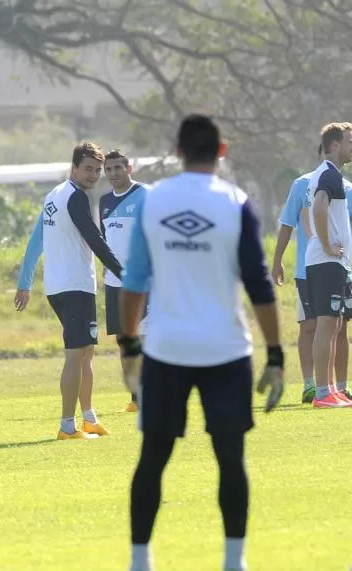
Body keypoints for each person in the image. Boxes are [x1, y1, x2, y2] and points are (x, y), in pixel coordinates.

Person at [119, 114, 284, 571]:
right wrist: (275, 355)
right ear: (223, 150)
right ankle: (234, 562)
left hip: (166, 349)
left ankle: (139, 561)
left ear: (177, 151)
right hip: (226, 351)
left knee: (153, 456)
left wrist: (129, 345)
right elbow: (259, 286)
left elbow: (134, 280)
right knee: (230, 458)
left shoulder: (154, 202)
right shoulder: (236, 203)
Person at [14, 141, 122, 440]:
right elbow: (95, 238)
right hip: (74, 285)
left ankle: (88, 418)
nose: (92, 175)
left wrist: (25, 283)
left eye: (97, 171)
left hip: (61, 286)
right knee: (76, 356)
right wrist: (122, 273)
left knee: (86, 353)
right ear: (74, 167)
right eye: (87, 168)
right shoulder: (75, 198)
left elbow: (36, 240)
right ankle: (66, 426)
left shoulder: (54, 194)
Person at [270, 145, 325, 403]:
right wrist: (277, 260)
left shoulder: (347, 188)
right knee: (310, 326)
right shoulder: (301, 184)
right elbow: (287, 225)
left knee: (335, 328)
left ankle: (336, 385)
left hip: (338, 269)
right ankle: (309, 384)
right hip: (306, 269)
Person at [303, 122, 352, 408]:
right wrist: (327, 245)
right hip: (326, 262)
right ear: (335, 145)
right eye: (349, 141)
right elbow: (319, 209)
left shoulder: (330, 173)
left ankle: (330, 389)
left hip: (332, 262)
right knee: (326, 326)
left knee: (333, 326)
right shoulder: (329, 174)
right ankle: (322, 393)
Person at [99, 149, 148, 412]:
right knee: (123, 339)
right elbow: (105, 241)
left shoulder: (145, 195)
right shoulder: (104, 201)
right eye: (109, 169)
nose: (114, 173)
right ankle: (135, 397)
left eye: (118, 168)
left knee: (147, 336)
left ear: (129, 168)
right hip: (114, 281)